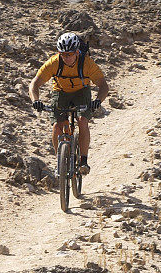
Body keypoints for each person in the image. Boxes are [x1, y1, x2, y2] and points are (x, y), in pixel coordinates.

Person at [28, 32, 109, 174]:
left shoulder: (87, 63)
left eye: (70, 54)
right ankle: (60, 161)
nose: (67, 58)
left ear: (77, 51)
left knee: (83, 120)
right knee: (56, 126)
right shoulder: (54, 63)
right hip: (60, 92)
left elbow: (103, 85)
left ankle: (83, 161)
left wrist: (97, 101)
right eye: (63, 54)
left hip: (81, 91)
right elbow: (34, 84)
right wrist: (36, 101)